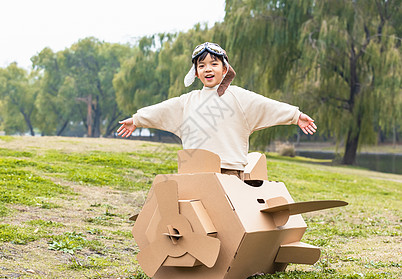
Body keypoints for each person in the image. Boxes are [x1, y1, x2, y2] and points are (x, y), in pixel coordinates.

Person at [117, 42, 316, 179]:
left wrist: (295, 115)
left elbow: (266, 105)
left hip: (230, 172)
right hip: (194, 173)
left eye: (214, 63)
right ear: (195, 72)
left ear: (224, 68)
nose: (208, 69)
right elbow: (161, 111)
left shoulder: (239, 97)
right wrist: (137, 119)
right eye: (202, 65)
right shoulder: (187, 101)